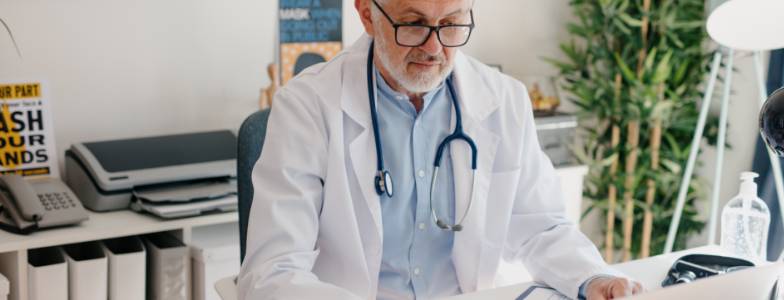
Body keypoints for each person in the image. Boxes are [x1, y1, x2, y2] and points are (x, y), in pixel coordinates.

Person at [237, 0, 646, 299]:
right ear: (367, 14)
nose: (434, 48)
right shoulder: (307, 106)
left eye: (451, 24)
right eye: (414, 24)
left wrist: (594, 277)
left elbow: (541, 227)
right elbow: (273, 273)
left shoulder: (505, 101)